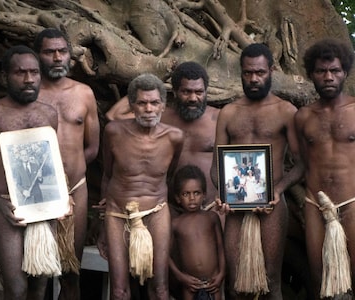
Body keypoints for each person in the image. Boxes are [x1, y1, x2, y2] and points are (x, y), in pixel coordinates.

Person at [210, 43, 303, 299]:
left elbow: (302, 164)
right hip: (236, 208)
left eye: (260, 72)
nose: (253, 79)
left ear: (271, 70)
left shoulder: (285, 111)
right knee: (235, 282)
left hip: (271, 206)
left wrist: (277, 191)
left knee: (271, 281)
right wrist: (224, 194)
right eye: (248, 73)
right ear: (240, 72)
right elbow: (217, 168)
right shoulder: (228, 113)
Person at [0, 45, 58, 300]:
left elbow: (51, 163)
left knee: (40, 285)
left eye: (34, 72)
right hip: (7, 208)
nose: (29, 79)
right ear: (4, 76)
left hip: (44, 208)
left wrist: (61, 199)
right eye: (20, 73)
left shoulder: (49, 114)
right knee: (17, 289)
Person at [101, 73, 184, 299]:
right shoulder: (114, 132)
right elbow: (108, 174)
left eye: (155, 103)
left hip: (157, 211)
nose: (149, 109)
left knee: (160, 287)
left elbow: (169, 175)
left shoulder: (174, 137)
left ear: (163, 106)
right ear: (132, 106)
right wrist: (101, 227)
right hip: (118, 212)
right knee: (119, 290)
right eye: (142, 103)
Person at [34, 27, 100, 300]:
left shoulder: (84, 93)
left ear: (71, 57)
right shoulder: (29, 93)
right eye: (49, 52)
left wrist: (64, 177)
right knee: (36, 273)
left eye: (62, 51)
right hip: (35, 194)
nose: (57, 57)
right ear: (38, 56)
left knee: (71, 270)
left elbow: (93, 147)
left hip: (75, 189)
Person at [106, 62, 220, 207]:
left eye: (199, 92)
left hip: (210, 207)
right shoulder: (159, 117)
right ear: (174, 92)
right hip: (165, 206)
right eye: (186, 92)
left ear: (206, 92)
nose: (193, 98)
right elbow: (114, 116)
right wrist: (152, 83)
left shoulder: (219, 119)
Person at [295, 38, 355, 298]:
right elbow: (302, 164)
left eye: (335, 71)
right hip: (315, 205)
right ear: (311, 74)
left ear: (345, 73)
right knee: (319, 276)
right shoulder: (303, 117)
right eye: (321, 71)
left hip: (353, 201)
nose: (328, 77)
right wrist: (275, 189)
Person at [169, 165, 225, 300]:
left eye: (196, 193)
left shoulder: (211, 218)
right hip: (190, 284)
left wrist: (221, 273)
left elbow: (220, 247)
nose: (192, 198)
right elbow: (165, 255)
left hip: (213, 282)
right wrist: (181, 276)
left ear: (204, 195)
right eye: (185, 194)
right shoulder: (176, 224)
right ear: (177, 198)